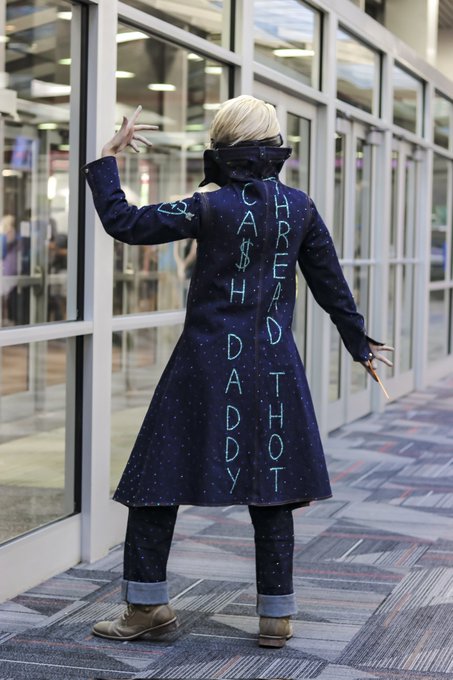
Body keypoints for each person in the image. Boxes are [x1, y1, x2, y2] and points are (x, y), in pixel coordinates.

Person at [83, 96, 393, 648]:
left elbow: (124, 222)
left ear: (222, 144)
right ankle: (276, 615)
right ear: (273, 146)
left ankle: (147, 608)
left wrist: (108, 158)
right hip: (274, 366)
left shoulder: (209, 207)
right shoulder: (299, 207)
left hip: (205, 364)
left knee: (154, 483)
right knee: (271, 487)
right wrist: (359, 343)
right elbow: (330, 282)